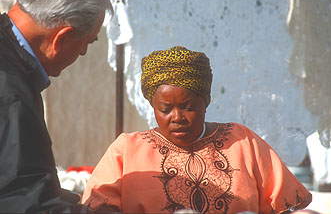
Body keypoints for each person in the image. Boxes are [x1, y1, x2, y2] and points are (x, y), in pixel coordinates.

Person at [81, 46, 312, 213]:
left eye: (188, 107)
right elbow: (97, 206)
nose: (177, 117)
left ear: (206, 102)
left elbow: (287, 205)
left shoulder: (242, 141)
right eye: (165, 109)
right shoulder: (127, 149)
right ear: (152, 106)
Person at [0, 0, 113, 213]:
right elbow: (22, 202)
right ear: (62, 37)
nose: (83, 52)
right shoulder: (11, 96)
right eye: (87, 42)